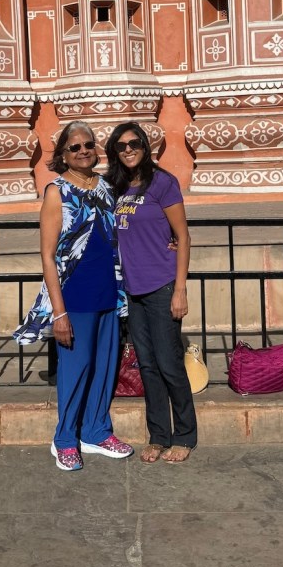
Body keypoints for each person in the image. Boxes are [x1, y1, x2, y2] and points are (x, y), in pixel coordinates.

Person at [13, 121, 133, 471]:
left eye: (89, 145)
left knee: (104, 368)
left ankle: (96, 431)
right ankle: (65, 438)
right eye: (75, 147)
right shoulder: (57, 192)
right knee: (76, 369)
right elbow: (48, 255)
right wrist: (59, 312)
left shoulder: (107, 187)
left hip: (109, 291)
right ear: (63, 155)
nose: (83, 151)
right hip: (75, 295)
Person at [105, 122, 197, 463]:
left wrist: (180, 289)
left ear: (145, 147)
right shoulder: (118, 188)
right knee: (147, 366)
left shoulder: (162, 182)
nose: (128, 150)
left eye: (134, 144)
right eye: (121, 146)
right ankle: (159, 436)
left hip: (162, 285)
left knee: (169, 363)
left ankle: (184, 435)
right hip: (134, 289)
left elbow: (183, 236)